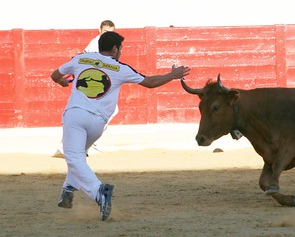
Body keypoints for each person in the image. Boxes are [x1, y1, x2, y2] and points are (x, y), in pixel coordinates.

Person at [50, 31, 190, 221]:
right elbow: (150, 82)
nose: (121, 52)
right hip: (97, 123)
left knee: (73, 157)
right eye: (121, 48)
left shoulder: (81, 59)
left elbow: (55, 75)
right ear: (115, 49)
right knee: (78, 155)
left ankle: (99, 192)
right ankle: (68, 189)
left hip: (76, 114)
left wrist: (62, 83)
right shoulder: (120, 68)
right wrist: (172, 75)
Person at [53, 20, 117, 158]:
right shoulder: (97, 43)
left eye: (111, 32)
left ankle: (74, 145)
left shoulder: (103, 43)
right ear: (100, 31)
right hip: (91, 83)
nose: (108, 35)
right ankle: (79, 144)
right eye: (106, 32)